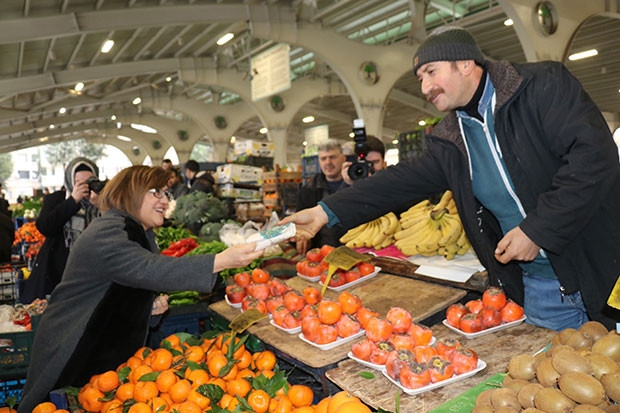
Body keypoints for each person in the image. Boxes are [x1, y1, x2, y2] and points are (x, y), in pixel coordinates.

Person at [281, 26, 620, 331]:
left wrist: (538, 229)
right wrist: (326, 211)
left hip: (604, 265)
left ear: (466, 63)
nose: (425, 87)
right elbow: (398, 181)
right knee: (555, 390)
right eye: (420, 78)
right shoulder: (450, 140)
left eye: (431, 71)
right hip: (541, 287)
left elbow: (593, 158)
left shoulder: (541, 86)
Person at [18, 165, 264, 412]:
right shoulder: (109, 231)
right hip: (73, 346)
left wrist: (147, 309)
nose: (164, 200)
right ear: (130, 193)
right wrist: (221, 260)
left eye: (166, 193)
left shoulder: (139, 231)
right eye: (155, 192)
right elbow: (150, 268)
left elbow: (124, 284)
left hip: (101, 354)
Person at [20, 157, 102, 304]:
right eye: (79, 183)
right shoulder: (57, 199)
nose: (86, 187)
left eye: (90, 181)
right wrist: (73, 201)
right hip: (58, 274)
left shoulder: (103, 202)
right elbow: (45, 226)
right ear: (70, 181)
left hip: (93, 275)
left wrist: (102, 205)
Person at [296, 140, 348, 255]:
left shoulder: (354, 186)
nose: (328, 162)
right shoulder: (308, 190)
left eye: (332, 157)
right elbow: (300, 220)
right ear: (318, 161)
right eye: (323, 158)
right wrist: (303, 237)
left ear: (343, 158)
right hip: (321, 253)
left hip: (354, 249)